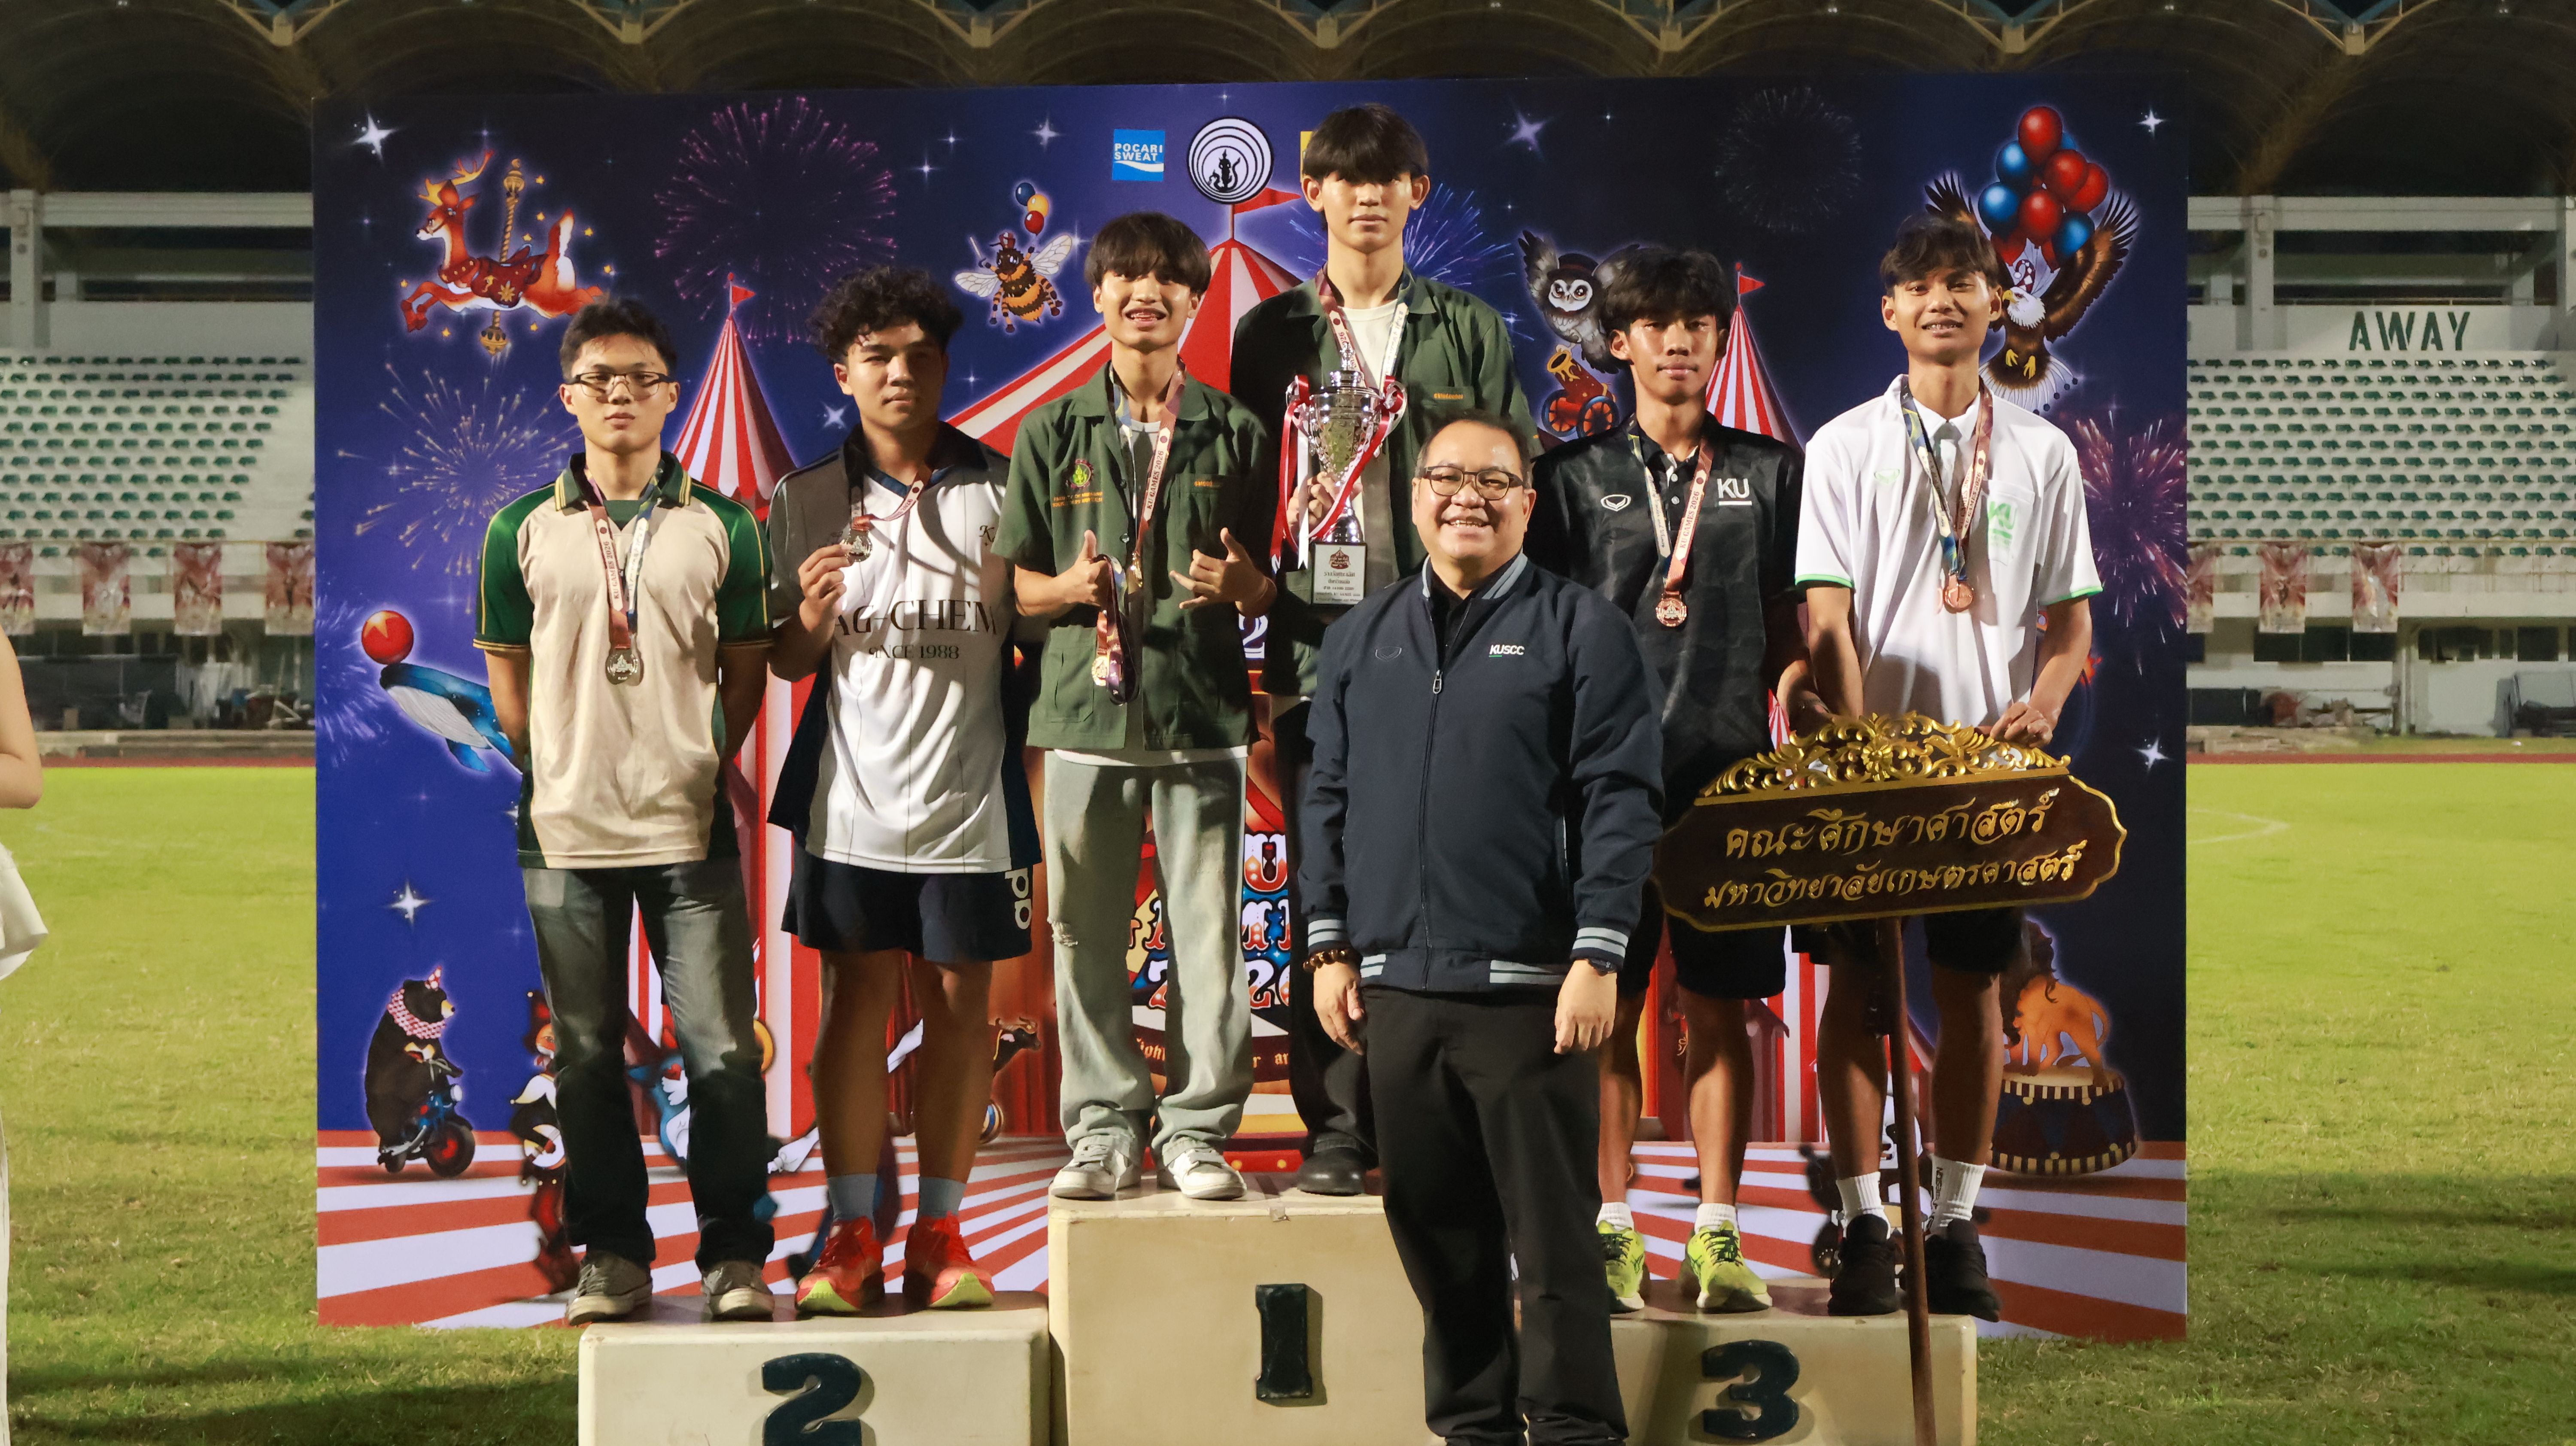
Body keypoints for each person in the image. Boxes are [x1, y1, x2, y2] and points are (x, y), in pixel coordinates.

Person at [1302, 411, 1658, 1446]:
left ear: (1528, 504)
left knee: (1554, 1247)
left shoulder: (1582, 628)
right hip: (1397, 989)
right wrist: (1329, 945)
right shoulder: (1360, 637)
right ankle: (1473, 1429)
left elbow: (1621, 797)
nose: (1469, 496)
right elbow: (1326, 798)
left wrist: (1599, 953)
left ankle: (1577, 1429)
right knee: (1440, 1239)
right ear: (1415, 498)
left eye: (1494, 481)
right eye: (1447, 478)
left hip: (1532, 990)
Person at [1796, 213, 2099, 1320]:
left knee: (1972, 989)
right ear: (1891, 311)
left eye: (1963, 282)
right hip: (1866, 777)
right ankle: (1865, 1223)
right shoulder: (1842, 447)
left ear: (1994, 305)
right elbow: (1826, 616)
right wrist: (1855, 746)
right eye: (1921, 286)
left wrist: (2045, 704)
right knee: (1857, 989)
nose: (1942, 300)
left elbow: (2069, 624)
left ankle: (1957, 1222)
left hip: (1986, 775)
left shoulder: (2043, 452)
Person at [1229, 101, 1535, 1197]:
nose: (1367, 195)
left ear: (1417, 192)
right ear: (1311, 192)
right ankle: (1339, 1126)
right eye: (1345, 178)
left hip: (1452, 643)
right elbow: (1245, 488)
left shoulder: (1467, 328)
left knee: (1447, 869)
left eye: (1387, 177)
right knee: (1328, 877)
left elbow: (1511, 476)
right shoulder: (1270, 334)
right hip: (1317, 644)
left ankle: (1441, 1116)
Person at [476, 298, 778, 1325]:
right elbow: (508, 689)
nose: (619, 394)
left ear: (670, 394)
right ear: (569, 396)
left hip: (687, 826)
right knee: (587, 1052)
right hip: (564, 831)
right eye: (599, 378)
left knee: (721, 1052)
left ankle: (735, 1256)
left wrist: (696, 757)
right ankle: (613, 1255)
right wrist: (562, 764)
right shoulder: (519, 529)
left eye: (640, 377)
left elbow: (745, 673)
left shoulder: (722, 524)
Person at [1528, 246, 1815, 1315]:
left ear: (1720, 338)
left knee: (1719, 1011)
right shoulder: (1569, 477)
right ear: (1619, 343)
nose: (1680, 342)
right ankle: (1611, 1229)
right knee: (1601, 1010)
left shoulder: (1772, 471)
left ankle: (1716, 1233)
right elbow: (1544, 634)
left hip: (1729, 785)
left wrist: (1806, 694)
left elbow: (1788, 622)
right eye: (1657, 325)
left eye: (1699, 324)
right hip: (1601, 788)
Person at [765, 266, 1036, 1314]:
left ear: (945, 367)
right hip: (852, 804)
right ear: (844, 372)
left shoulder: (1004, 486)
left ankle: (941, 1231)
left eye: (921, 355)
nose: (900, 373)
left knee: (964, 1014)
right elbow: (788, 661)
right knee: (854, 1009)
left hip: (973, 802)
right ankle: (851, 1233)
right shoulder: (805, 497)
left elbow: (1039, 627)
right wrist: (811, 618)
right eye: (877, 356)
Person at [994, 212, 1278, 1203]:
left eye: (1167, 279)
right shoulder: (1050, 430)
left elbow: (1266, 584)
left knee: (1209, 935)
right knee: (1082, 932)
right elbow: (1015, 591)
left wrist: (1247, 590)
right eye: (1127, 276)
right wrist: (1069, 589)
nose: (1145, 292)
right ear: (1100, 296)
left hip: (1200, 714)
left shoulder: (1237, 431)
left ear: (1195, 301)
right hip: (1084, 716)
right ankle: (1105, 1127)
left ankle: (1197, 1130)